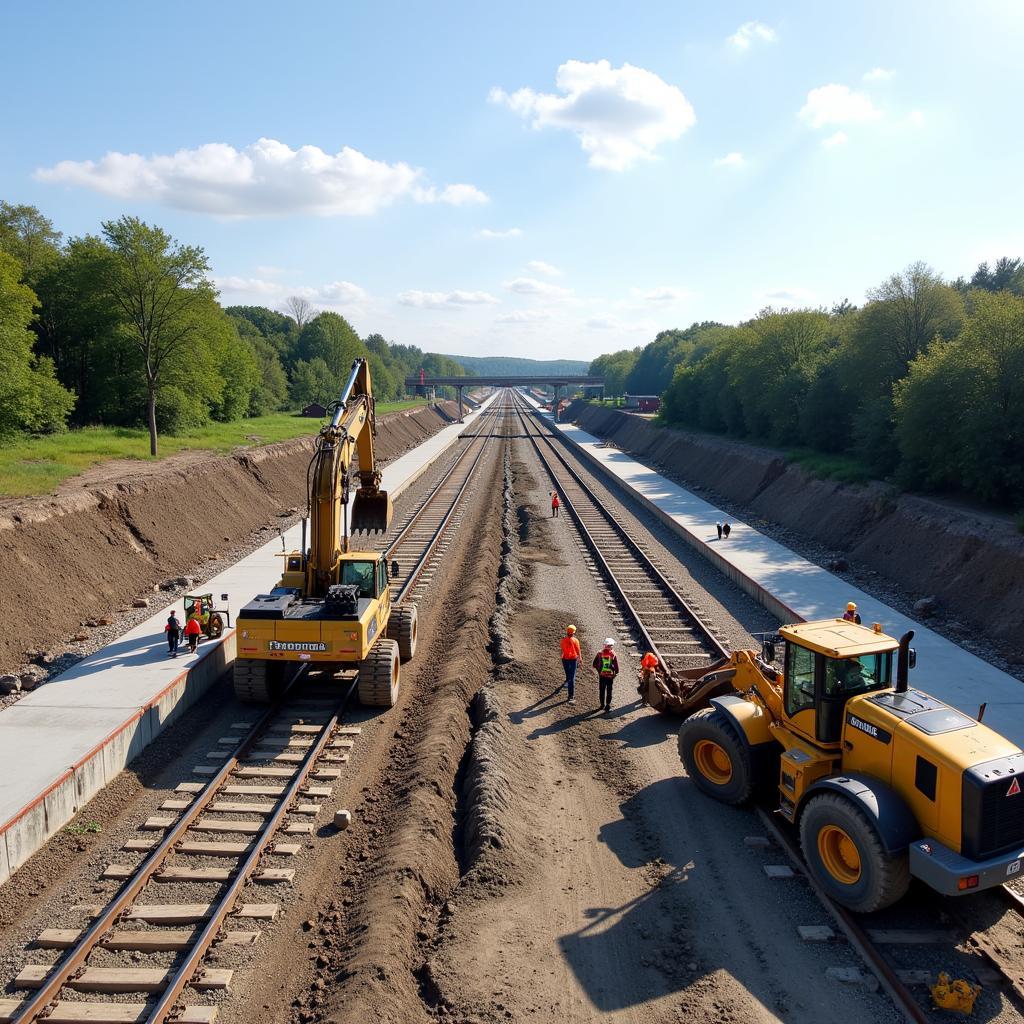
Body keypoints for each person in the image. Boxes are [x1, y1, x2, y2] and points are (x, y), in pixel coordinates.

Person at [593, 638, 620, 713]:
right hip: (610, 676)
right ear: (611, 646)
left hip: (602, 675)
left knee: (601, 690)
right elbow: (616, 667)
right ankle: (607, 706)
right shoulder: (613, 654)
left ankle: (602, 705)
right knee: (609, 690)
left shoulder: (599, 653)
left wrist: (599, 671)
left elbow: (594, 664)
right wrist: (616, 673)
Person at [560, 624, 582, 705]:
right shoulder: (576, 640)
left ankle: (566, 681)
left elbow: (562, 648)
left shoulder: (563, 640)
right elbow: (578, 650)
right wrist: (580, 658)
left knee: (567, 672)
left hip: (564, 658)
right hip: (573, 660)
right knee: (572, 677)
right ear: (573, 633)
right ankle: (571, 696)